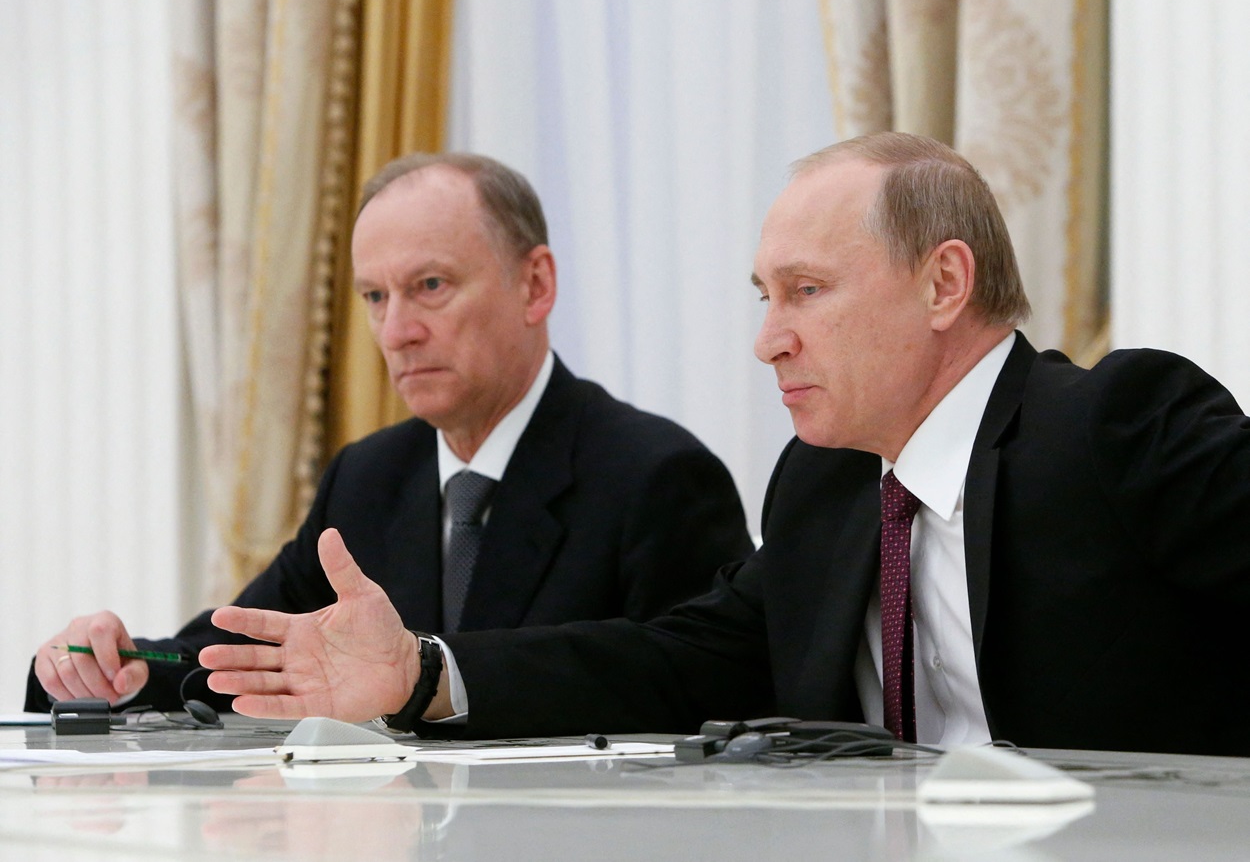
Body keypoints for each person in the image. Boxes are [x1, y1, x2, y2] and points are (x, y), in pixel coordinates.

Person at [199, 133, 1250, 756]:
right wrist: (425, 675)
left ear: (943, 284)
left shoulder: (1119, 425)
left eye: (804, 292)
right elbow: (673, 659)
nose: (767, 339)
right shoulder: (825, 485)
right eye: (763, 296)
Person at [27, 153, 753, 713]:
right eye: (376, 297)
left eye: (430, 286)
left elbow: (700, 686)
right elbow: (245, 655)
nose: (397, 332)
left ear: (534, 286)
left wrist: (427, 674)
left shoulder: (657, 473)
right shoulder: (369, 475)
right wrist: (114, 667)